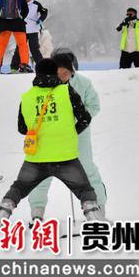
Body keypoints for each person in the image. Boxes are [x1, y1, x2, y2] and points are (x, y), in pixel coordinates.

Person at [0, 58, 105, 224]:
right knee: (84, 189)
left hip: (36, 158)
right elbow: (85, 117)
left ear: (37, 74)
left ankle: (1, 214)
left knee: (19, 187)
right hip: (65, 156)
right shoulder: (67, 92)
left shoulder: (27, 97)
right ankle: (94, 216)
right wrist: (72, 132)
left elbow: (22, 128)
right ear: (55, 73)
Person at [28, 49, 107, 221]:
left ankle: (98, 210)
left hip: (79, 136)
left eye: (66, 71)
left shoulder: (84, 83)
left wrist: (78, 125)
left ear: (72, 69)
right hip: (50, 137)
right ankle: (37, 213)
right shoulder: (44, 86)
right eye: (58, 71)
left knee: (86, 170)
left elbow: (94, 105)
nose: (62, 75)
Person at [0, 0, 32, 74]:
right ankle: (24, 65)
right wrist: (21, 17)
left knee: (1, 45)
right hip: (18, 24)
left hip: (4, 24)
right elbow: (25, 10)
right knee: (22, 44)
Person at [10, 0, 48, 73]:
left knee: (34, 49)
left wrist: (41, 19)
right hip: (22, 30)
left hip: (33, 30)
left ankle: (42, 67)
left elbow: (44, 12)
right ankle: (14, 68)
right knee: (19, 48)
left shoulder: (36, 4)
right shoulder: (19, 4)